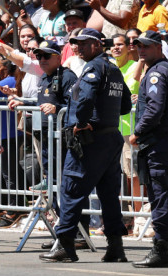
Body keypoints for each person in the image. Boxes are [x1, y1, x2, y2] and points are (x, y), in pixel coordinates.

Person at [40, 28, 131, 263]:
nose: (78, 47)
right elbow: (125, 106)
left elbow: (87, 98)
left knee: (71, 190)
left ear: (97, 45)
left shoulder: (93, 68)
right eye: (76, 43)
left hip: (92, 140)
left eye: (83, 43)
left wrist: (81, 122)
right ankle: (115, 247)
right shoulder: (113, 69)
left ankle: (66, 247)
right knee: (109, 195)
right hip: (110, 137)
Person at [128, 31, 168, 268]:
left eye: (146, 46)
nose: (141, 51)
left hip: (159, 143)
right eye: (138, 46)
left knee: (160, 196)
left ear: (158, 47)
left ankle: (161, 249)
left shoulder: (156, 73)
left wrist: (139, 133)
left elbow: (154, 110)